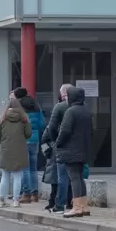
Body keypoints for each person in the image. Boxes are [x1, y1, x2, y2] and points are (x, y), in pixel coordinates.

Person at [56, 86, 92, 218]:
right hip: (83, 148)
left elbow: (64, 131)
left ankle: (76, 207)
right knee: (80, 177)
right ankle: (83, 205)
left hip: (71, 149)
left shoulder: (71, 111)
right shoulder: (86, 110)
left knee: (74, 177)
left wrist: (58, 143)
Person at [0, 97, 32, 208]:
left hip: (6, 150)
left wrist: (3, 142)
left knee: (5, 176)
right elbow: (28, 134)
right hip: (20, 150)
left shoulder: (2, 118)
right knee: (17, 176)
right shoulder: (24, 118)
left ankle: (1, 200)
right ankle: (16, 201)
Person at [45, 84, 74, 213]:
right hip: (76, 147)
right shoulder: (81, 107)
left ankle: (58, 204)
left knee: (60, 177)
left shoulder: (59, 107)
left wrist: (55, 142)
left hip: (61, 146)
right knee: (75, 177)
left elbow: (50, 128)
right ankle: (75, 203)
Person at [17, 87, 44, 203]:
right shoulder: (36, 105)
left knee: (25, 168)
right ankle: (35, 194)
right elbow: (42, 124)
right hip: (35, 139)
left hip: (23, 139)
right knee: (33, 168)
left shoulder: (18, 107)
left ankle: (26, 194)